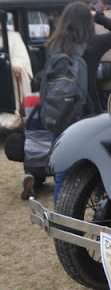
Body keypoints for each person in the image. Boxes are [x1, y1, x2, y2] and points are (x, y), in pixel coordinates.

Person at [46, 0, 111, 202]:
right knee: (97, 166)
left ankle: (62, 221)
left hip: (59, 112)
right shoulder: (93, 46)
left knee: (61, 171)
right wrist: (99, 16)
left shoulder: (54, 45)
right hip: (85, 114)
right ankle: (101, 209)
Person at [21, 72, 50, 200]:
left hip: (31, 156)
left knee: (29, 138)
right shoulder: (53, 99)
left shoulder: (27, 99)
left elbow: (22, 118)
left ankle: (32, 178)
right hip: (52, 158)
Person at [0, 20, 33, 128]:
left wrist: (17, 64)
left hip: (6, 75)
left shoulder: (13, 36)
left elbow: (20, 55)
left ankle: (14, 113)